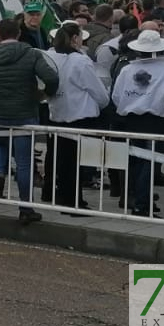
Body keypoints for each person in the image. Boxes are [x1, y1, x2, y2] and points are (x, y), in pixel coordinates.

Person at [0, 18, 59, 225]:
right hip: (24, 114)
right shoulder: (31, 54)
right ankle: (25, 208)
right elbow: (51, 77)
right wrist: (44, 94)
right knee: (23, 163)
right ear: (19, 34)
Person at [111, 30, 164, 218]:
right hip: (156, 120)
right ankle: (142, 203)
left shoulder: (126, 70)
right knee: (149, 163)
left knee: (134, 161)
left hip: (131, 119)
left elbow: (116, 96)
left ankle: (135, 199)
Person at [42, 23, 108, 209]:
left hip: (58, 112)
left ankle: (60, 194)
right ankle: (74, 200)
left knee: (61, 159)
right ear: (75, 39)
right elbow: (95, 88)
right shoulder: (80, 60)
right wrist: (104, 102)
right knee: (75, 162)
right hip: (79, 114)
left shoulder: (51, 56)